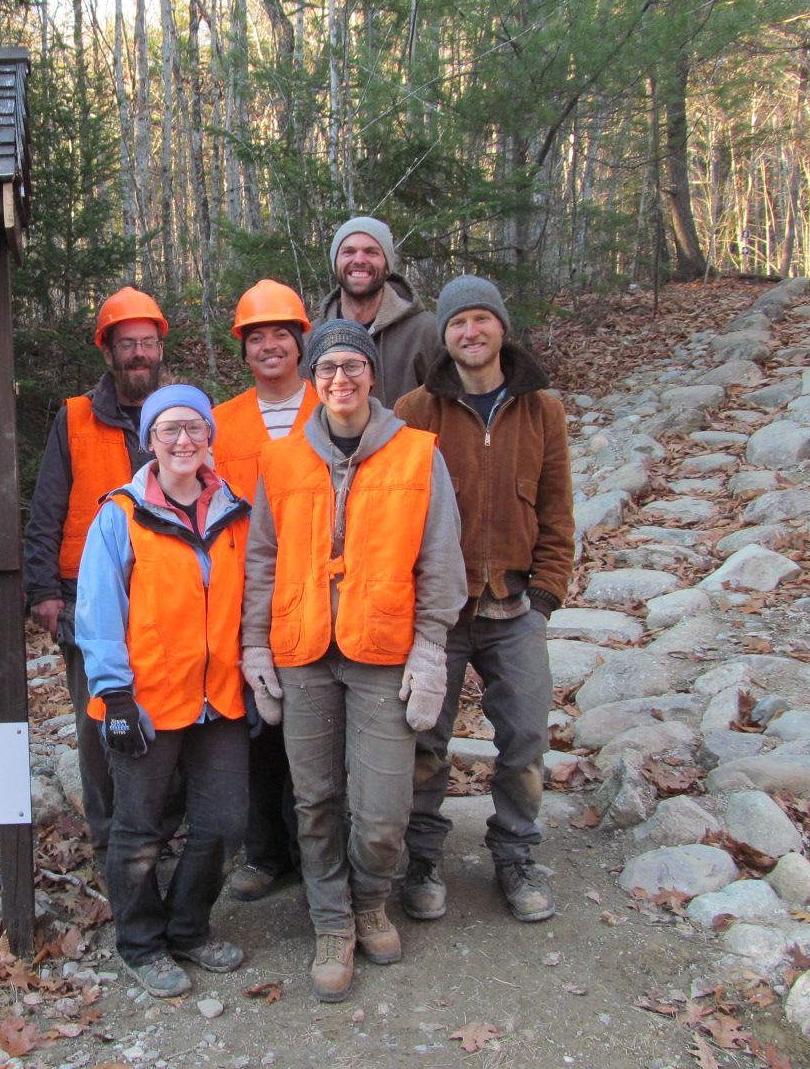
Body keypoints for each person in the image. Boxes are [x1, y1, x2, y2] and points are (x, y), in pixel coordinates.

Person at [241, 319, 466, 1003]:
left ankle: (372, 901)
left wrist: (430, 649)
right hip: (304, 654)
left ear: (374, 375)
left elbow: (441, 560)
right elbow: (261, 562)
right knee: (314, 801)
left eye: (353, 366)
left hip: (381, 653)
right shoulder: (280, 463)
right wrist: (255, 645)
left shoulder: (417, 455)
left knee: (381, 810)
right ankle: (333, 922)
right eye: (328, 368)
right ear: (313, 381)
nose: (341, 379)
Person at [395, 276, 574, 924]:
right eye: (458, 323)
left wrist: (547, 595)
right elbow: (393, 510)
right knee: (424, 739)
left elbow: (557, 512)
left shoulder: (541, 410)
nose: (471, 332)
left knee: (525, 733)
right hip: (437, 611)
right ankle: (419, 859)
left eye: (481, 319)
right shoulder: (416, 409)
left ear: (501, 327)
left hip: (514, 605)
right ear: (443, 336)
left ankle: (516, 852)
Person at [76, 384, 251, 998]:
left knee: (225, 822)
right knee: (140, 828)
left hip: (220, 699)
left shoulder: (235, 508)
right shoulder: (119, 514)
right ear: (149, 439)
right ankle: (141, 943)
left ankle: (189, 928)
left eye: (195, 429)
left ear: (210, 437)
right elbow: (97, 611)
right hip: (145, 701)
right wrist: (114, 697)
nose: (183, 440)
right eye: (169, 429)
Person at [23, 286, 167, 870]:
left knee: (170, 718)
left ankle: (161, 831)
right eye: (126, 343)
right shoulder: (75, 417)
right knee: (98, 724)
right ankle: (111, 843)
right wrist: (43, 591)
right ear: (107, 352)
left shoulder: (183, 414)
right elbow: (47, 508)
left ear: (161, 348)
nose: (138, 354)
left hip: (168, 597)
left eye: (147, 343)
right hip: (86, 602)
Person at [211, 280, 316, 902]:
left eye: (281, 333)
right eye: (257, 337)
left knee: (316, 728)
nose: (270, 345)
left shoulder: (333, 405)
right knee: (255, 729)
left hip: (318, 590)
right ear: (243, 349)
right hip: (244, 597)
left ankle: (318, 852)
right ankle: (265, 852)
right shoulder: (220, 423)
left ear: (301, 341)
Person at [317, 216, 441, 406]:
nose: (359, 259)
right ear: (335, 263)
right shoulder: (313, 337)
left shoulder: (425, 332)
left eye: (371, 252)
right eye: (348, 252)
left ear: (387, 265)